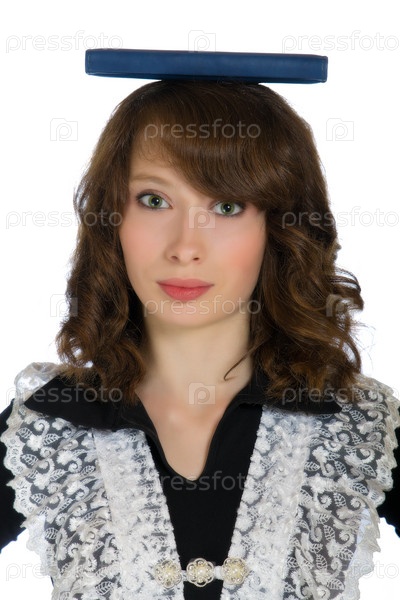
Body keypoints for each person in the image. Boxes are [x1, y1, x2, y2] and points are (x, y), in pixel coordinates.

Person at [0, 77, 399, 600]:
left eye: (227, 206)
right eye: (154, 200)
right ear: (112, 218)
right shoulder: (48, 425)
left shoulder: (361, 426)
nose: (185, 246)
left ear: (279, 226)